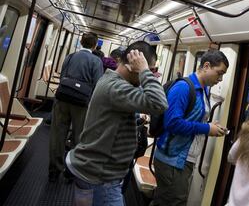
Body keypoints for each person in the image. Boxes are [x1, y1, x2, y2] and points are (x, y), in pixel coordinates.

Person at [66, 41, 168, 205]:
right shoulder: (116, 87)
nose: (149, 74)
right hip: (101, 176)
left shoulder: (113, 80)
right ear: (133, 65)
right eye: (150, 69)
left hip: (99, 170)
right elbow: (159, 104)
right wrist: (144, 71)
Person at [152, 50, 229, 206]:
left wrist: (210, 126)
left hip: (183, 158)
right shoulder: (184, 88)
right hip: (172, 159)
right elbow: (172, 123)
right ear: (206, 66)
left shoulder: (204, 90)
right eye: (219, 73)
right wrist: (206, 129)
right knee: (174, 201)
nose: (220, 79)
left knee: (164, 201)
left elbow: (194, 118)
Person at [48, 32, 103, 182]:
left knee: (57, 134)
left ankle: (54, 170)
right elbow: (98, 84)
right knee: (78, 137)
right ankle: (71, 170)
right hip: (82, 103)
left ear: (81, 42)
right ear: (95, 45)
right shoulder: (96, 61)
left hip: (63, 99)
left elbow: (62, 77)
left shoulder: (70, 56)